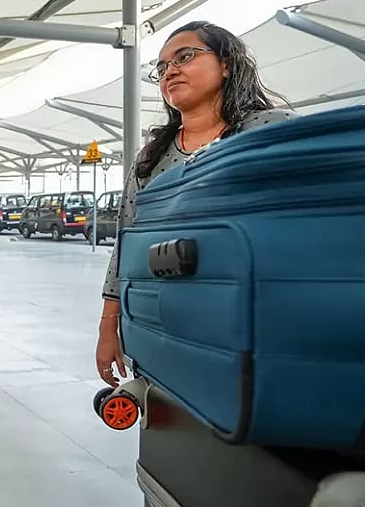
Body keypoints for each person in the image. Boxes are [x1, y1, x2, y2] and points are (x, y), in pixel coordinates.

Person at [95, 20, 295, 386]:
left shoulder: (269, 129)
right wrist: (110, 324)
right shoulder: (151, 158)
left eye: (184, 57)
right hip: (164, 316)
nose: (170, 71)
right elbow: (126, 240)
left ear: (226, 64)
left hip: (252, 314)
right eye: (162, 67)